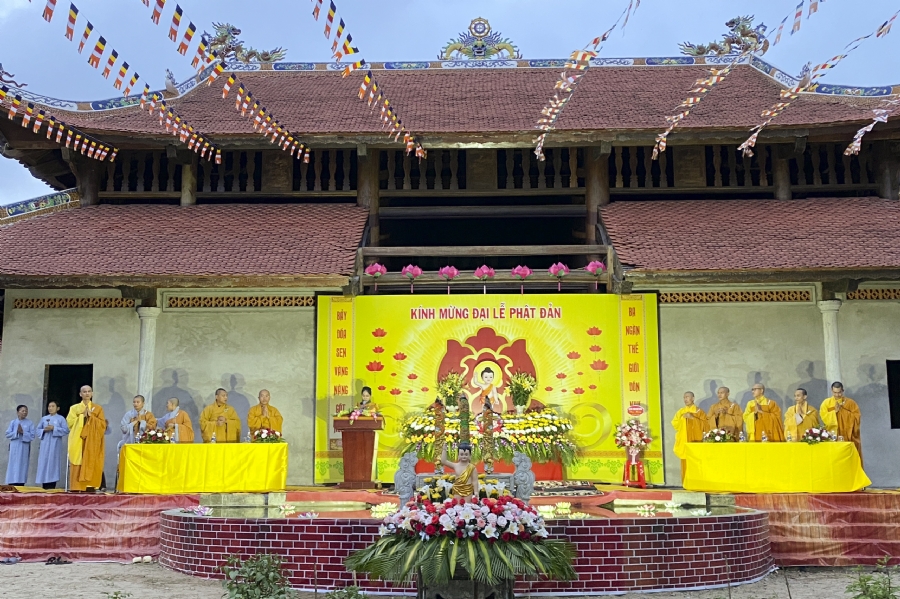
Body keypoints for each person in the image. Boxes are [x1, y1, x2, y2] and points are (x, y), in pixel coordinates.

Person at [66, 385, 108, 491]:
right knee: (77, 460)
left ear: (92, 393)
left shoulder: (98, 408)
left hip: (92, 441)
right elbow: (70, 423)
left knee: (92, 461)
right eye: (84, 392)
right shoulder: (74, 408)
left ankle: (90, 486)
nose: (87, 393)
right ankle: (76, 487)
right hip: (78, 440)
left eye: (89, 391)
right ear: (80, 394)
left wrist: (91, 417)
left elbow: (103, 425)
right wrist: (82, 417)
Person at [671, 392, 709, 482]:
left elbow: (706, 425)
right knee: (685, 462)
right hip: (684, 440)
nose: (685, 399)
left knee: (695, 462)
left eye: (687, 397)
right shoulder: (681, 411)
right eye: (684, 397)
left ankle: (697, 482)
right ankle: (685, 483)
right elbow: (675, 424)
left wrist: (693, 418)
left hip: (696, 440)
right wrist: (682, 418)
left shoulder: (699, 411)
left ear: (693, 398)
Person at [820, 382, 862, 461]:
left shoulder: (850, 403)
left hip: (848, 436)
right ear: (832, 391)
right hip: (833, 436)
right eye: (835, 392)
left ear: (842, 391)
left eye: (839, 392)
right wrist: (834, 412)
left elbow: (857, 418)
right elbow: (824, 418)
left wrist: (844, 412)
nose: (837, 395)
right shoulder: (826, 403)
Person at [35, 401, 70, 489]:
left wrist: (54, 428)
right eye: (49, 406)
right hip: (45, 445)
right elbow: (37, 430)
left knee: (53, 464)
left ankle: (52, 485)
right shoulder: (44, 418)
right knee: (44, 463)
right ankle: (44, 485)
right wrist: (44, 430)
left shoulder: (61, 418)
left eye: (53, 406)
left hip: (55, 445)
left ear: (57, 408)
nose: (50, 408)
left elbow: (66, 430)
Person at [5, 405, 35, 486]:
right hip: (14, 447)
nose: (25, 412)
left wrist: (23, 432)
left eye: (26, 411)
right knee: (13, 464)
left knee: (22, 464)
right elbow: (7, 434)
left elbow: (32, 436)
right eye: (23, 411)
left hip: (24, 447)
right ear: (18, 412)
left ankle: (20, 483)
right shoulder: (13, 422)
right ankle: (11, 482)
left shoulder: (30, 423)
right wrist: (16, 432)